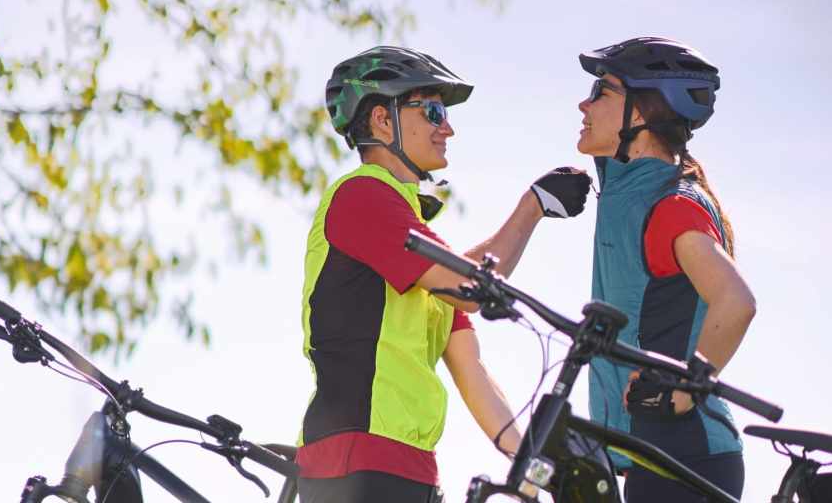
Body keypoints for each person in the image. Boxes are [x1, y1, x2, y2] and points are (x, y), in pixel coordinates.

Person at [296, 45, 592, 503]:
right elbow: (473, 288)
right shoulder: (363, 197)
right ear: (382, 120)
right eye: (433, 111)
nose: (447, 127)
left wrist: (536, 465)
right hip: (357, 463)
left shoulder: (412, 247)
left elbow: (470, 368)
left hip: (407, 466)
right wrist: (532, 206)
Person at [576, 37, 757, 502]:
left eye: (601, 92)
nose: (584, 102)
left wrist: (684, 388)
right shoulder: (633, 187)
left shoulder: (672, 206)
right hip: (652, 451)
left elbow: (736, 302)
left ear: (638, 115)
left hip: (686, 453)